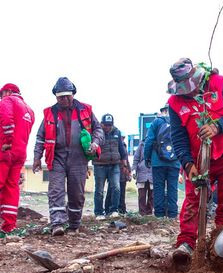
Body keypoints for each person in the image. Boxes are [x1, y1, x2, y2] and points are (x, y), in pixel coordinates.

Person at [167, 58, 223, 271]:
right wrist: (187, 164)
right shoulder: (175, 103)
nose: (190, 94)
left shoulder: (220, 84)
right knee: (193, 199)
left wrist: (218, 126)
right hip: (198, 159)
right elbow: (178, 137)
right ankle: (186, 244)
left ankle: (221, 248)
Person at [33, 77, 103, 236]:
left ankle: (74, 225)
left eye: (67, 96)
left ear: (73, 94)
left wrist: (95, 143)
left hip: (78, 158)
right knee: (55, 190)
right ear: (56, 97)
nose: (64, 99)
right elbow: (40, 138)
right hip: (56, 157)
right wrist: (37, 157)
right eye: (60, 97)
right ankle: (57, 223)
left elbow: (98, 130)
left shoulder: (86, 110)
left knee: (76, 193)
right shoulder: (50, 113)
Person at [0, 83, 35, 235]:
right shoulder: (29, 110)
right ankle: (9, 225)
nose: (1, 98)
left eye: (1, 94)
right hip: (20, 153)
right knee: (11, 187)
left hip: (6, 150)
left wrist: (7, 141)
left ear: (8, 91)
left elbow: (6, 120)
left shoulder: (8, 101)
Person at [144, 103, 181, 220]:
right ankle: (172, 214)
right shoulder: (179, 121)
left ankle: (159, 214)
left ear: (163, 110)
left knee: (158, 188)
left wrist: (147, 158)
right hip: (174, 161)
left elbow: (149, 141)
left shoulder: (156, 122)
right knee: (172, 188)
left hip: (158, 161)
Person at [93, 114, 128, 220]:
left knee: (116, 188)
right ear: (101, 124)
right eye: (106, 125)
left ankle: (114, 210)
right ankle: (99, 212)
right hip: (100, 165)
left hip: (114, 165)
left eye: (110, 125)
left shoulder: (117, 132)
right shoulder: (96, 133)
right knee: (99, 189)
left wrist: (125, 164)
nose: (108, 127)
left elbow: (121, 149)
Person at [132, 139, 154, 216]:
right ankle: (142, 213)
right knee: (142, 195)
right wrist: (134, 170)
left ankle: (149, 212)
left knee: (152, 195)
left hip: (153, 173)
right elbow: (136, 158)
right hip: (142, 173)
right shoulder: (141, 145)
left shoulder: (157, 144)